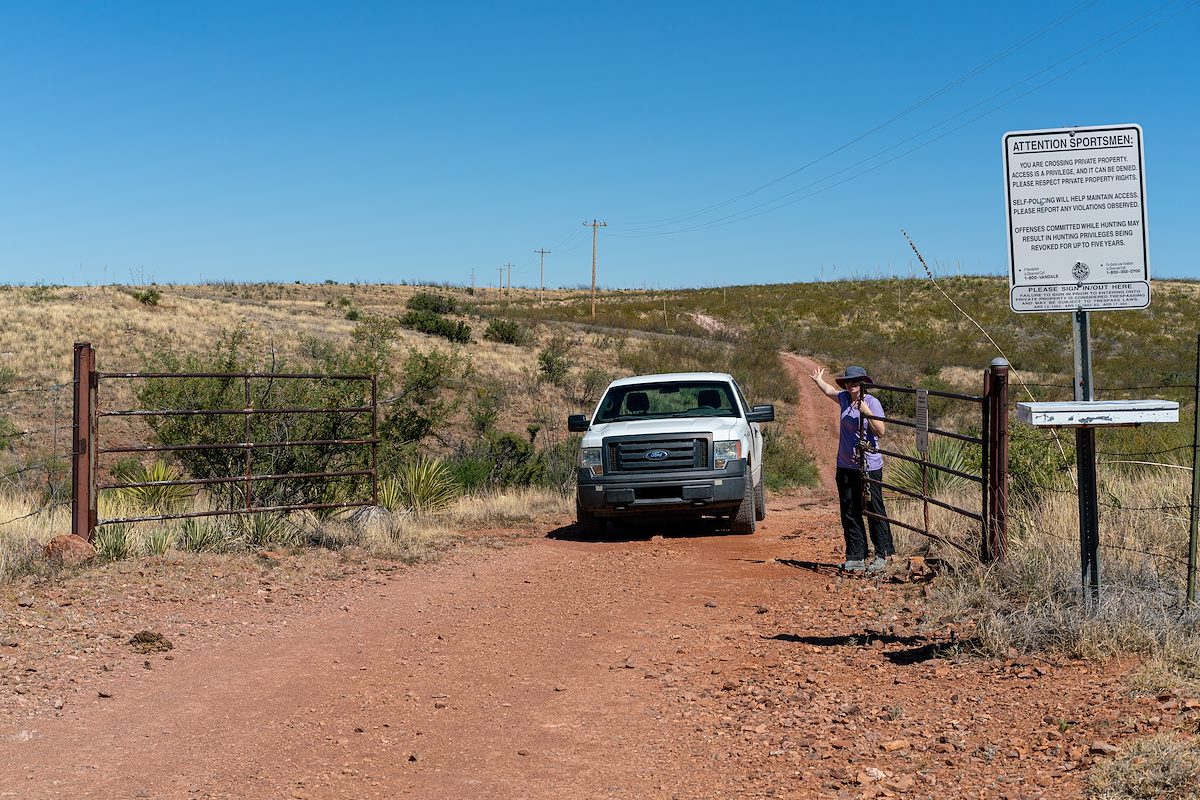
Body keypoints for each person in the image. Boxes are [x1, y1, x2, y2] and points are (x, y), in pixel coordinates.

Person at [811, 365, 895, 574]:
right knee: (849, 510)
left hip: (869, 466)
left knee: (874, 509)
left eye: (855, 381)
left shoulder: (872, 402)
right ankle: (856, 556)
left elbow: (881, 431)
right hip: (846, 465)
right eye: (849, 381)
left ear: (863, 383)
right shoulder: (844, 399)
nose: (851, 384)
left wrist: (866, 412)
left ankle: (882, 554)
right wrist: (818, 380)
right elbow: (830, 391)